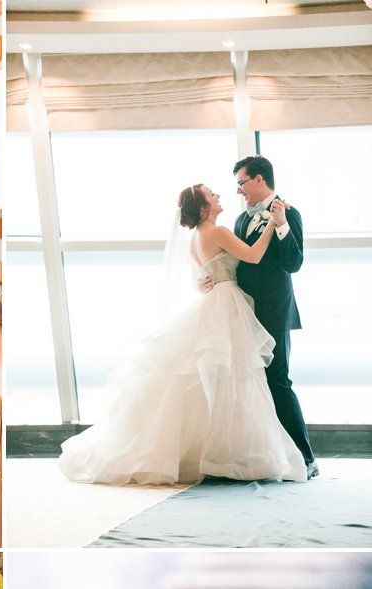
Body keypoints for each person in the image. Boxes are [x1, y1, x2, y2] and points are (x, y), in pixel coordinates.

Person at [58, 182, 307, 486]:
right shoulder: (218, 232)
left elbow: (201, 276)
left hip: (214, 302)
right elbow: (253, 257)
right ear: (204, 208)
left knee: (217, 379)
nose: (218, 196)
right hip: (227, 305)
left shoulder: (194, 239)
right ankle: (230, 454)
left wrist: (203, 283)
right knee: (235, 378)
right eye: (211, 195)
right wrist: (272, 223)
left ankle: (215, 452)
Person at [231, 155, 317, 478]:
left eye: (242, 183)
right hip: (245, 314)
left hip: (275, 313)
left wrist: (280, 224)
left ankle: (307, 458)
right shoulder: (241, 220)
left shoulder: (289, 213)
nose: (239, 190)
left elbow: (294, 263)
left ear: (259, 180)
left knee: (278, 381)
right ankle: (270, 456)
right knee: (255, 384)